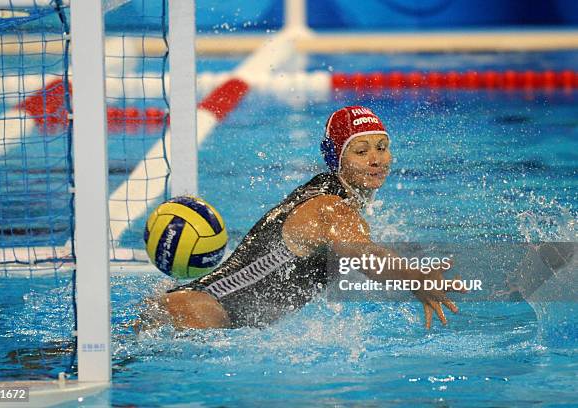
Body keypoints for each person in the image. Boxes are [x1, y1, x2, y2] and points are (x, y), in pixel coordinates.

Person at [141, 106, 463, 331]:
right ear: (336, 158)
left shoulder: (330, 196)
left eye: (382, 147)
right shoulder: (330, 208)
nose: (376, 159)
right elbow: (365, 255)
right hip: (196, 316)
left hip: (188, 311)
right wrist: (415, 280)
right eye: (361, 151)